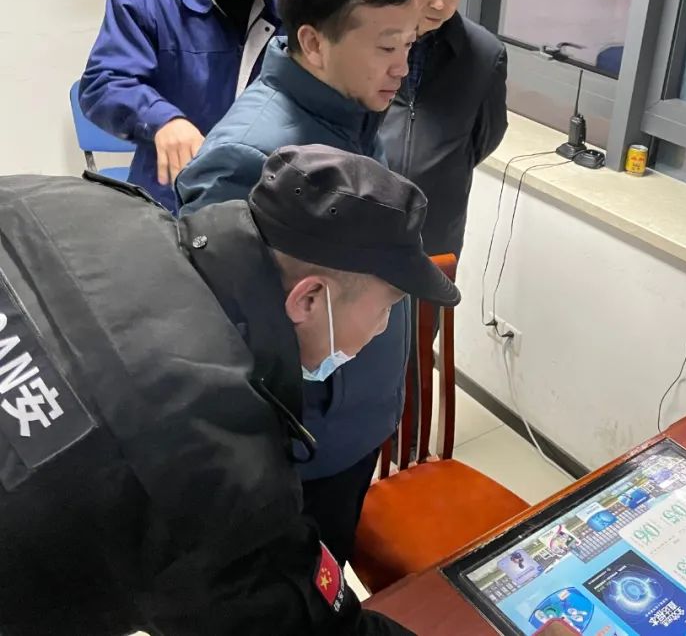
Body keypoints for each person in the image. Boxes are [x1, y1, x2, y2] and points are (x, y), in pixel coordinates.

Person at [0, 144, 459, 635]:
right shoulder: (216, 455)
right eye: (386, 308)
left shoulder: (78, 202)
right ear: (309, 298)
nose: (383, 327)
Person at [175, 0, 419, 565]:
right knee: (298, 589)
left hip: (355, 420)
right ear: (313, 42)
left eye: (409, 45)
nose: (402, 67)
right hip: (304, 448)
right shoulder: (250, 154)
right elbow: (218, 337)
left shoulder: (355, 113)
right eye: (386, 47)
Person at [79, 0, 287, 212]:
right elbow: (103, 84)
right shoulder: (144, 0)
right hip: (171, 196)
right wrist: (163, 120)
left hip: (260, 197)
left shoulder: (288, 5)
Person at [381, 0, 508, 260]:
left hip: (435, 237)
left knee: (430, 300)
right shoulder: (361, 39)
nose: (440, 3)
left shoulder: (484, 55)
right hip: (356, 225)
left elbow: (483, 139)